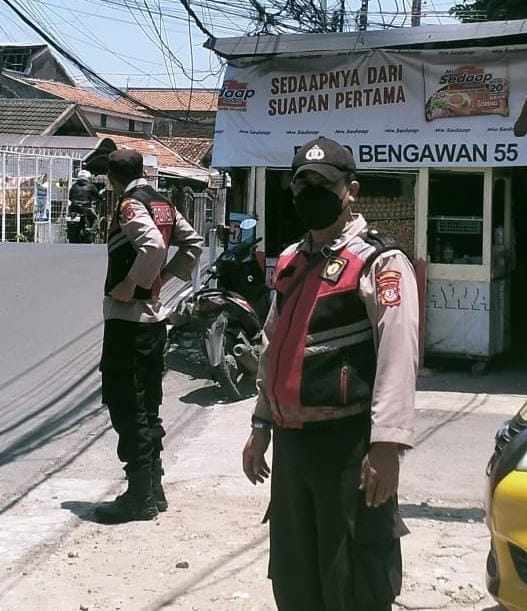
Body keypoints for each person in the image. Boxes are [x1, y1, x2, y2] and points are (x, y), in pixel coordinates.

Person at [242, 136, 419, 611]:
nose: (311, 195)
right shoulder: (292, 261)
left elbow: (398, 355)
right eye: (303, 186)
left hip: (348, 448)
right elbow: (272, 347)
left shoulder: (380, 262)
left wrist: (387, 446)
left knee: (351, 579)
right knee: (295, 575)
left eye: (324, 185)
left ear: (350, 191)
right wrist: (261, 425)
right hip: (292, 447)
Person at [94, 148, 203, 523]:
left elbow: (153, 246)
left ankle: (139, 496)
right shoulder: (163, 203)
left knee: (128, 407)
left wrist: (132, 284)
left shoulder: (129, 204)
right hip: (154, 322)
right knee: (148, 406)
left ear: (112, 178)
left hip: (129, 321)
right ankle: (154, 488)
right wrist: (166, 278)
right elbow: (193, 243)